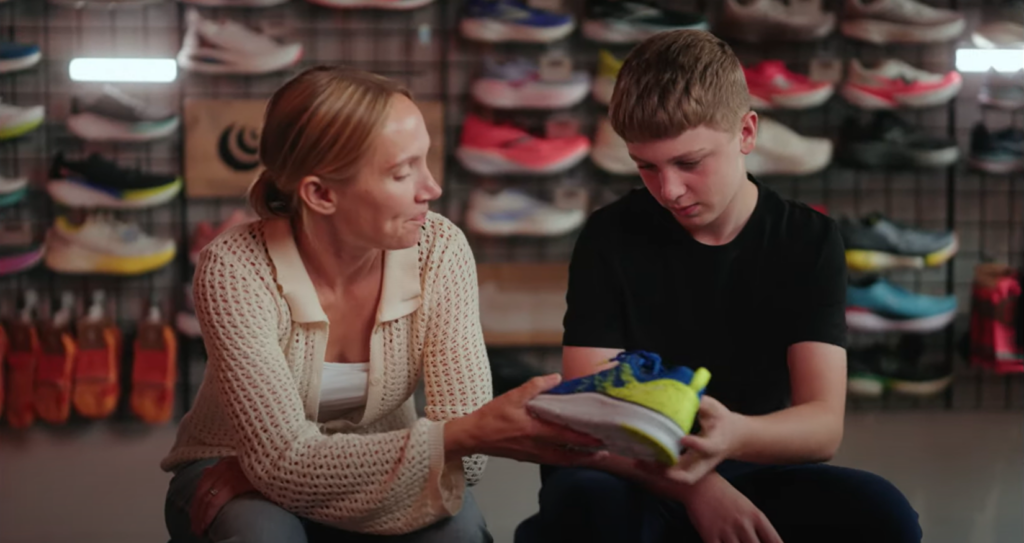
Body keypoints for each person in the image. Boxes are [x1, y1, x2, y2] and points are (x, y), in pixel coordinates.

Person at [161, 66, 604, 543]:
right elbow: (283, 463)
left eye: (425, 161)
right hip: (224, 467)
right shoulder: (234, 267)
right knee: (260, 532)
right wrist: (275, 470)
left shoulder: (440, 249)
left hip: (302, 466)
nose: (431, 188)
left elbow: (470, 462)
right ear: (321, 193)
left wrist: (279, 469)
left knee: (460, 532)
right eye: (401, 172)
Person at [517, 31, 923, 543]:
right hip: (627, 470)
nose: (669, 190)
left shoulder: (809, 239)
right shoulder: (609, 236)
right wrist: (696, 489)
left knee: (884, 515)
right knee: (585, 502)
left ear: (747, 133)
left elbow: (822, 428)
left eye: (689, 163)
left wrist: (732, 437)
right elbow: (587, 423)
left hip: (751, 458)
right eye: (646, 167)